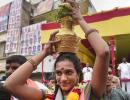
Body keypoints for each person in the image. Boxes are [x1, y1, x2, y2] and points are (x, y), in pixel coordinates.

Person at [4, 0, 110, 99]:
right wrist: (44, 53)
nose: (63, 79)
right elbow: (10, 85)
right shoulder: (49, 94)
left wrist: (80, 20)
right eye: (58, 73)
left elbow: (103, 52)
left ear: (78, 74)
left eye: (68, 72)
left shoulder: (89, 92)